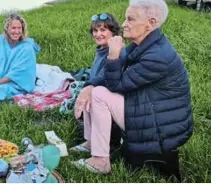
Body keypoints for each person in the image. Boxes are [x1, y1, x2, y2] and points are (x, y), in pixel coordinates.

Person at [72, 0, 193, 174]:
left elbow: (116, 84)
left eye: (130, 19)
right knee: (94, 90)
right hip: (150, 108)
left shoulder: (157, 56)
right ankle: (93, 142)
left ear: (151, 23)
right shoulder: (145, 45)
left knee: (99, 94)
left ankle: (101, 161)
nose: (123, 24)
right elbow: (111, 76)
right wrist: (89, 86)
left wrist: (113, 55)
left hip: (162, 126)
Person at [70, 12, 122, 154]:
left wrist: (89, 87)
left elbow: (108, 78)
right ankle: (90, 140)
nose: (98, 34)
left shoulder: (115, 52)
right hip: (101, 93)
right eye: (95, 30)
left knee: (91, 93)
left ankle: (99, 144)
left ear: (113, 32)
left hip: (112, 100)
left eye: (103, 30)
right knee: (85, 90)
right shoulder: (101, 51)